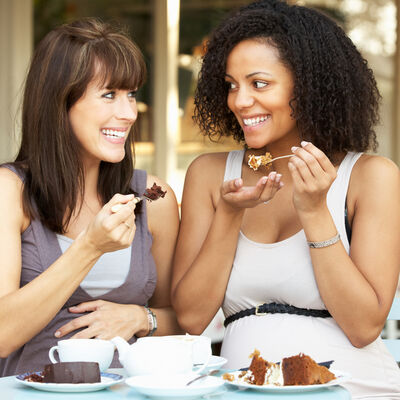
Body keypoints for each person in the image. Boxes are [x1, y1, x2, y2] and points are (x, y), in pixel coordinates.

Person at [171, 0, 400, 397]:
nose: (240, 101)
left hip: (354, 389)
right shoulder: (209, 176)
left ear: (309, 86)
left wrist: (315, 212)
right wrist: (228, 215)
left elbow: (364, 328)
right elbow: (191, 318)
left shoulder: (370, 177)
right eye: (231, 85)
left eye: (259, 84)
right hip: (241, 390)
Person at [0, 18, 181, 377]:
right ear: (60, 101)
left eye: (131, 94)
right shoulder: (11, 191)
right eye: (109, 94)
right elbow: (3, 335)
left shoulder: (153, 198)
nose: (129, 113)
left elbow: (183, 320)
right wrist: (90, 247)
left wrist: (141, 317)